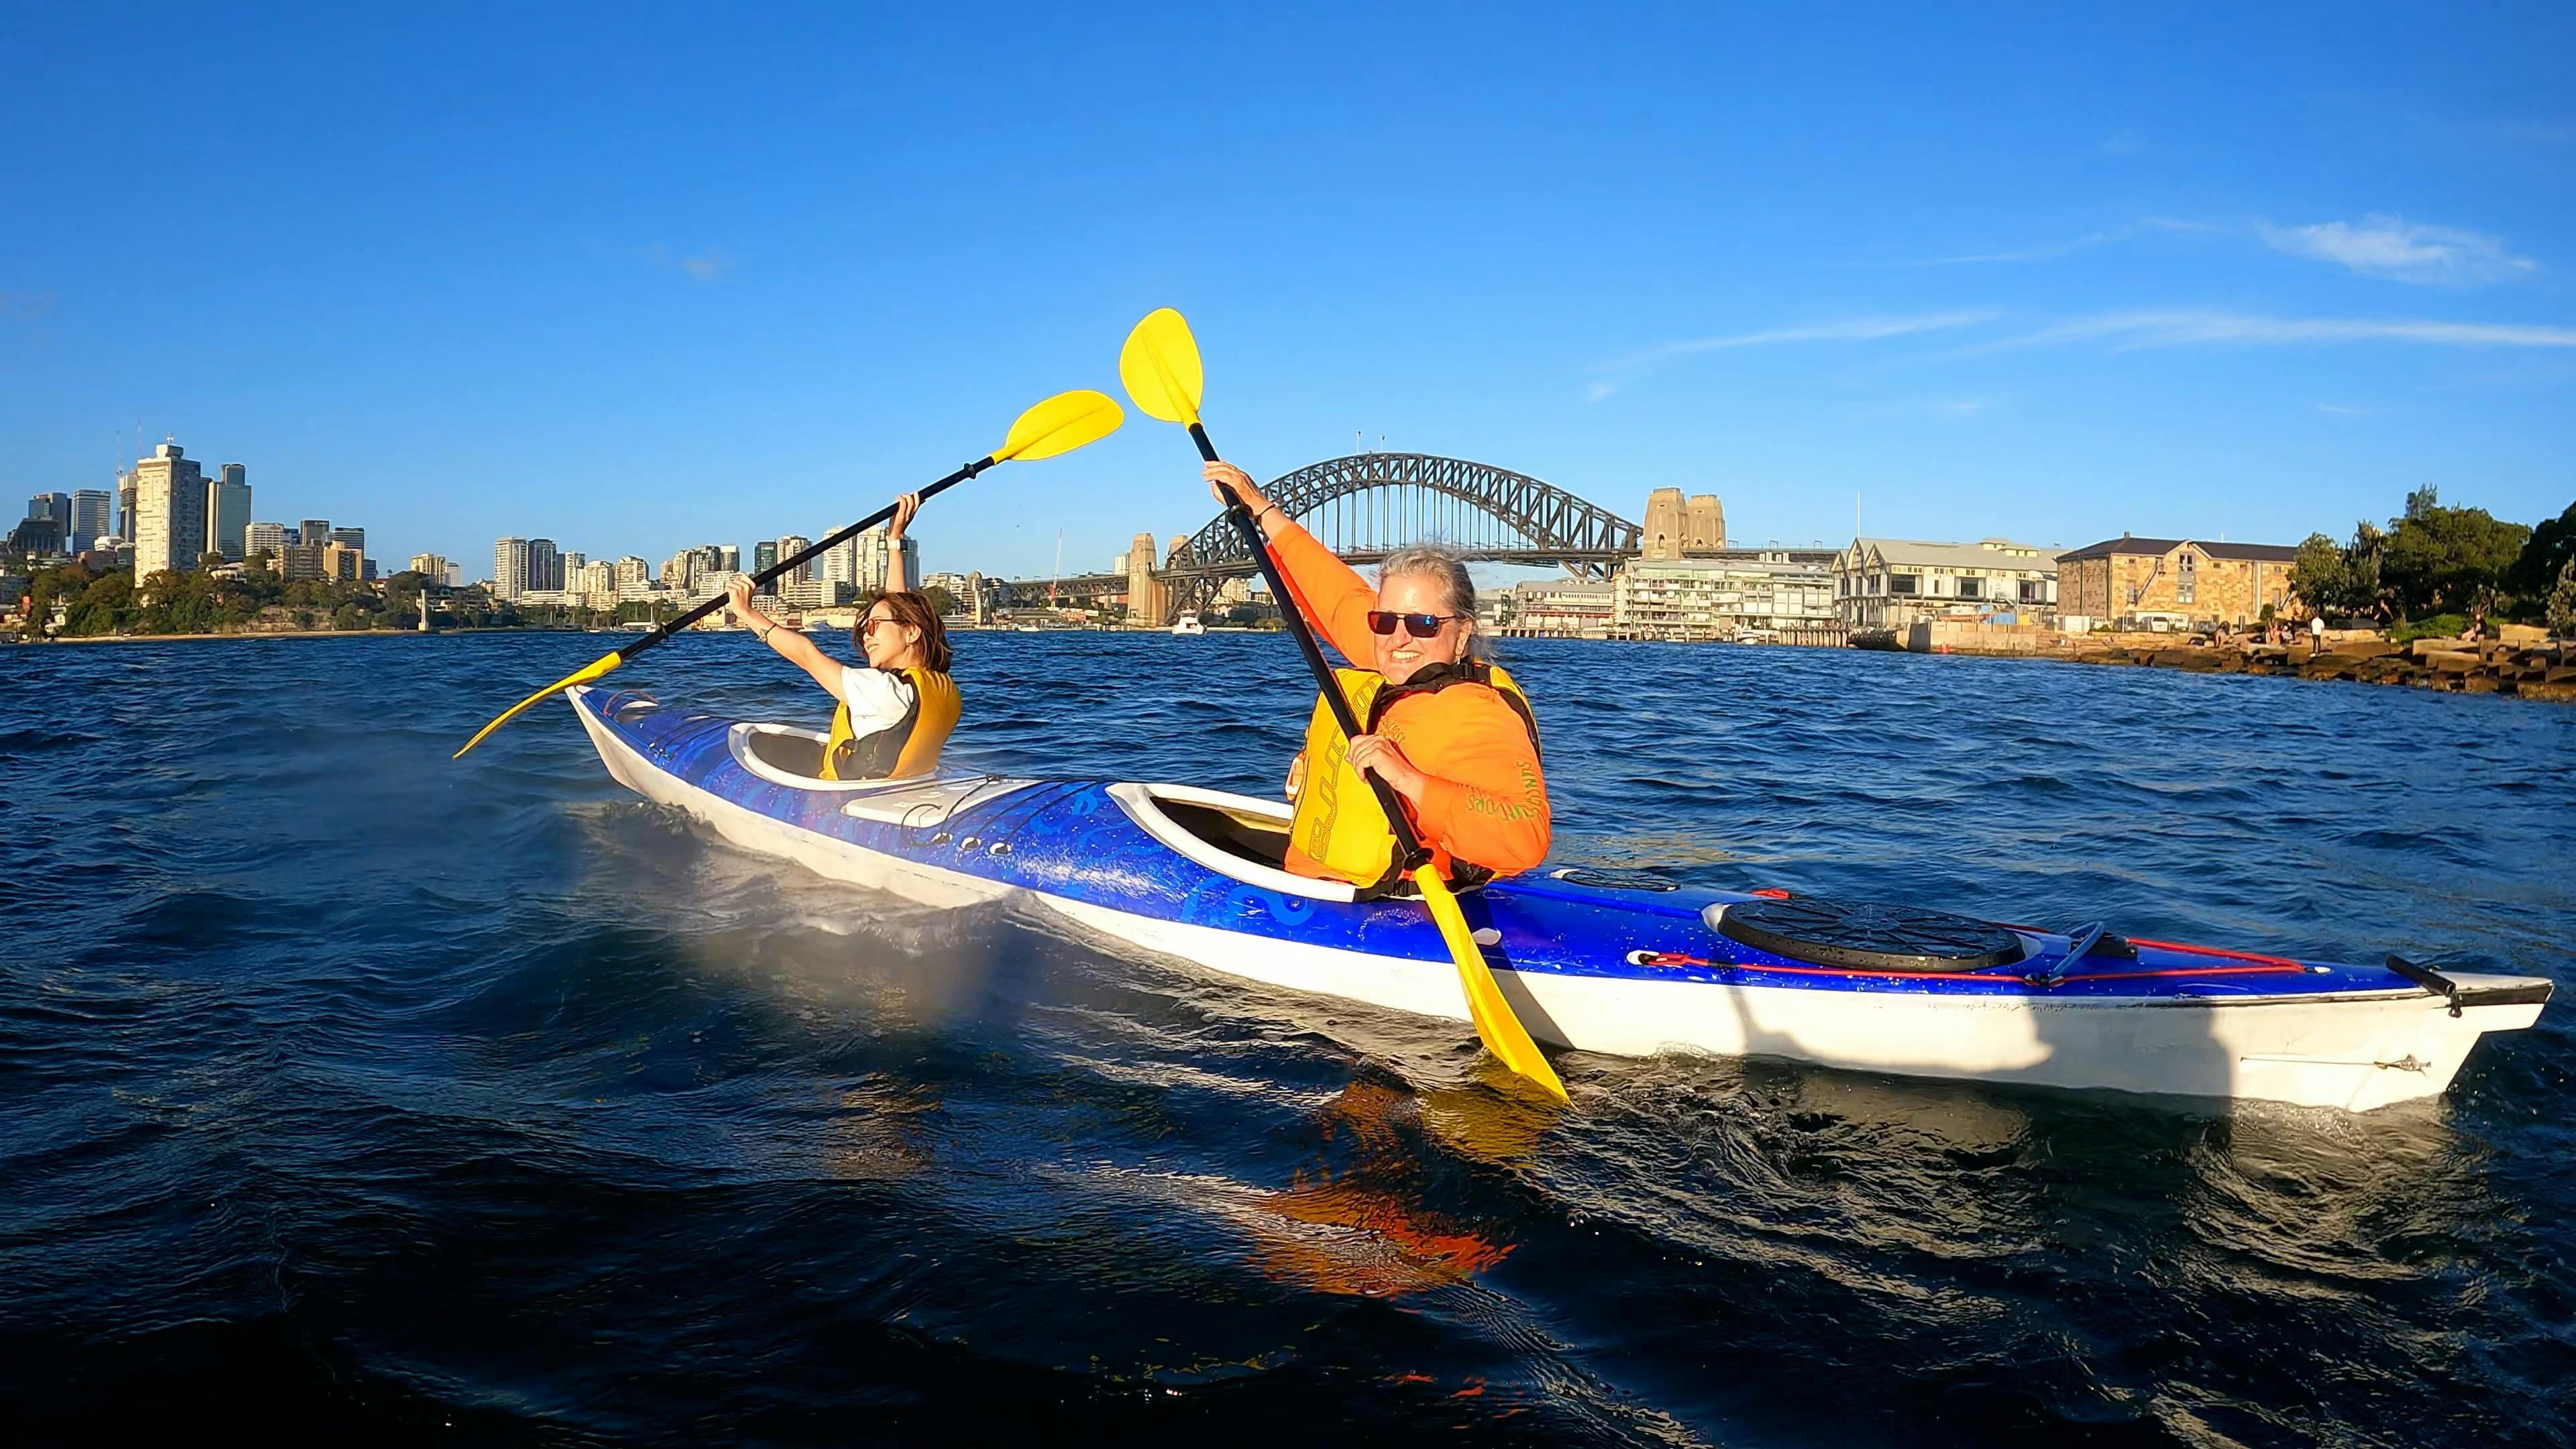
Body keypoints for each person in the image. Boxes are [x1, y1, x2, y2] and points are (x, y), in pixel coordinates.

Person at [1203, 461, 1548, 894]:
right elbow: (1332, 592)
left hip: (1394, 901)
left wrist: (1405, 779)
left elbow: (1525, 838)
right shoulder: (1391, 653)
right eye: (1385, 620)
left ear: (1461, 633)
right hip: (1315, 881)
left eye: (1424, 623)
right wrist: (1260, 509)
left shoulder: (1476, 715)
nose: (1400, 637)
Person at [724, 492, 961, 780]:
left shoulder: (881, 690)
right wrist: (895, 540)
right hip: (897, 789)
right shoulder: (936, 685)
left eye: (874, 626)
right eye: (864, 629)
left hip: (844, 803)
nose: (865, 637)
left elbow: (806, 655)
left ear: (911, 633)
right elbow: (899, 609)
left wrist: (746, 612)